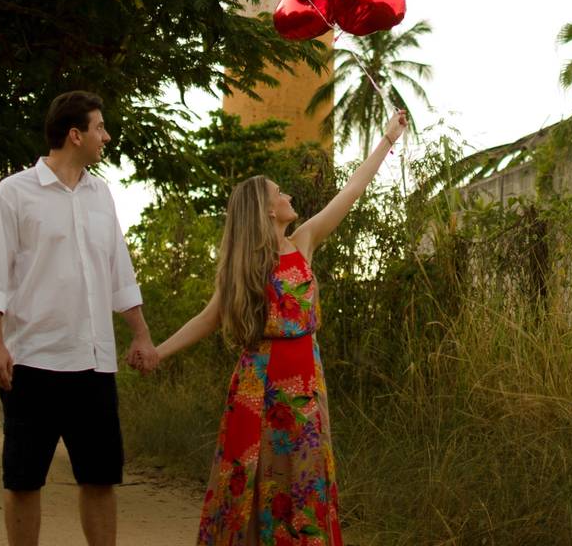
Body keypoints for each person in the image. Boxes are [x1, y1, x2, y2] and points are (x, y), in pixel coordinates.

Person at [145, 109, 408, 545]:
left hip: (305, 381)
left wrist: (388, 138)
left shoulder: (304, 241)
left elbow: (353, 189)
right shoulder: (244, 265)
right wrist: (159, 352)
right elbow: (209, 319)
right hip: (258, 386)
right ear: (267, 209)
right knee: (253, 480)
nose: (287, 194)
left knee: (302, 483)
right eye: (278, 192)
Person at [0, 90, 159, 546]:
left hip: (94, 363)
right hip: (32, 362)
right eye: (99, 127)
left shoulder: (102, 195)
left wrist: (141, 335)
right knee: (22, 479)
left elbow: (120, 268)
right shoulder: (14, 193)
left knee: (99, 478)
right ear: (75, 135)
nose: (106, 136)